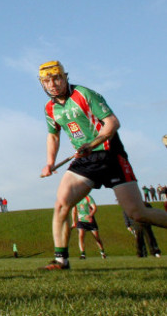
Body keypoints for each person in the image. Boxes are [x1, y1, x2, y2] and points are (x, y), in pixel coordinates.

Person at [38, 60, 167, 270]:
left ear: (65, 77)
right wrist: (50, 163)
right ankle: (61, 260)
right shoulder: (49, 108)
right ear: (42, 84)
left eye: (57, 78)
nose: (52, 84)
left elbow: (113, 123)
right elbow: (53, 135)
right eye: (47, 81)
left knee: (137, 213)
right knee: (61, 204)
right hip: (84, 160)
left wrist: (93, 143)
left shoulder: (85, 94)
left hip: (110, 155)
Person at [71, 195, 106, 260]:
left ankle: (102, 252)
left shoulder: (88, 197)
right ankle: (83, 254)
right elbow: (74, 211)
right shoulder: (76, 198)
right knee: (80, 235)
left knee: (97, 238)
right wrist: (73, 222)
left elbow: (95, 208)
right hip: (81, 220)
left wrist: (90, 215)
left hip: (90, 221)